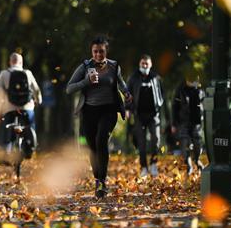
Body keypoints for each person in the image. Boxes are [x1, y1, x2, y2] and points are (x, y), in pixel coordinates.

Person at [66, 35, 132, 199]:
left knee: (101, 139)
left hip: (109, 110)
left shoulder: (114, 66)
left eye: (101, 52)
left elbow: (120, 82)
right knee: (92, 147)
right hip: (89, 112)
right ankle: (97, 179)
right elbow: (69, 88)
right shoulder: (85, 67)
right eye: (95, 52)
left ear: (106, 51)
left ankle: (102, 181)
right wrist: (85, 82)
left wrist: (126, 93)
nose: (98, 55)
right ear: (91, 51)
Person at [126, 54, 165, 178]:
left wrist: (160, 105)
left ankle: (153, 164)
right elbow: (128, 94)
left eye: (147, 64)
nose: (144, 66)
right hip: (139, 115)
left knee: (156, 139)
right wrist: (127, 109)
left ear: (151, 64)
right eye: (143, 63)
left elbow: (162, 94)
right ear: (139, 64)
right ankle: (144, 167)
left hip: (154, 115)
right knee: (141, 143)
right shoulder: (133, 78)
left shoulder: (156, 78)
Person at [0, 52, 42, 152]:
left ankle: (7, 151)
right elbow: (36, 89)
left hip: (9, 108)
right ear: (21, 62)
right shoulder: (28, 73)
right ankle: (31, 146)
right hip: (27, 107)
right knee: (30, 125)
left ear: (10, 62)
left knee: (7, 129)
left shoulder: (4, 74)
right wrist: (38, 101)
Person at [172, 71, 204, 175]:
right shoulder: (180, 90)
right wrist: (174, 123)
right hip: (183, 122)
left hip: (197, 122)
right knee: (184, 144)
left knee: (197, 144)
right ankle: (189, 165)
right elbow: (174, 107)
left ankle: (197, 160)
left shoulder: (200, 91)